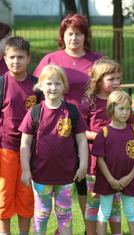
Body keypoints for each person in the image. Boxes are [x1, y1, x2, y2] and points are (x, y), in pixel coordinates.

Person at [33, 13, 103, 232]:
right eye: (70, 33)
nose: (74, 38)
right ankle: (60, 227)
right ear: (63, 35)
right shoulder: (50, 59)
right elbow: (37, 91)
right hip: (56, 129)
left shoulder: (97, 59)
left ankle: (87, 228)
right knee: (58, 180)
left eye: (79, 34)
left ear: (85, 36)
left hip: (88, 127)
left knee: (85, 181)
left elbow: (108, 89)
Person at [19, 64, 89, 235]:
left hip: (67, 174)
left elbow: (81, 140)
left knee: (65, 213)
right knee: (41, 214)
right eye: (49, 83)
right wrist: (26, 171)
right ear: (41, 86)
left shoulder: (72, 111)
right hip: (41, 174)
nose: (53, 88)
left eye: (58, 84)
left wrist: (83, 166)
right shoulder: (34, 112)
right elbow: (25, 144)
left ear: (64, 86)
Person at [79, 58, 134, 235]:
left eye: (118, 78)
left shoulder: (122, 100)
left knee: (115, 202)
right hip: (94, 164)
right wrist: (104, 136)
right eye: (111, 79)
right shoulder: (88, 103)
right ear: (98, 80)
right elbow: (80, 132)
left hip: (118, 165)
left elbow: (132, 131)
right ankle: (91, 232)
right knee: (94, 201)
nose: (116, 82)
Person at [91, 90, 134, 235]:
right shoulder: (103, 133)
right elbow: (100, 159)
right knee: (104, 212)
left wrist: (129, 177)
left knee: (130, 211)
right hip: (107, 180)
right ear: (111, 109)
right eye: (121, 108)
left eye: (128, 108)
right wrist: (111, 179)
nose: (125, 112)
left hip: (130, 180)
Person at [0, 36, 38, 235]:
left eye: (20, 57)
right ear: (5, 59)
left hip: (31, 150)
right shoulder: (1, 84)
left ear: (28, 59)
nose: (16, 61)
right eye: (12, 57)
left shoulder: (37, 86)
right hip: (5, 148)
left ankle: (24, 233)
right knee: (4, 193)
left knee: (26, 193)